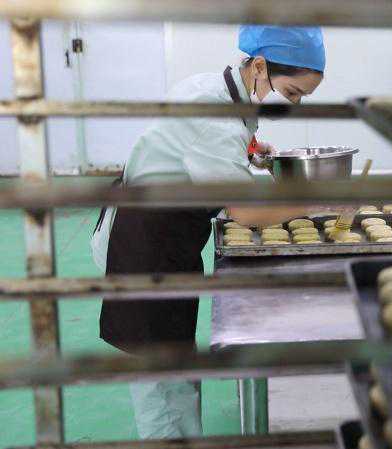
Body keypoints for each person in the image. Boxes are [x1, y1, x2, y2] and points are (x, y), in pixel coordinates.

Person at [90, 25, 328, 439]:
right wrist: (316, 203)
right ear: (259, 66)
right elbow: (245, 210)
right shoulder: (212, 116)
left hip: (161, 237)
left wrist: (249, 150)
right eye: (292, 92)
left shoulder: (214, 87)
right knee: (162, 382)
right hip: (144, 250)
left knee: (175, 361)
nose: (292, 102)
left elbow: (197, 145)